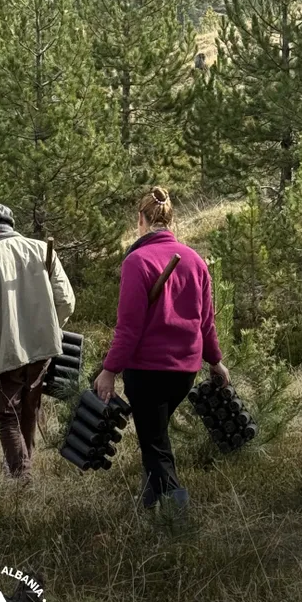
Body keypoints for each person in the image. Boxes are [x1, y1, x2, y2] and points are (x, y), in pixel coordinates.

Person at [93, 187, 229, 509]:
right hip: (185, 372)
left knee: (154, 446)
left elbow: (128, 329)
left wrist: (109, 371)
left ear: (140, 219)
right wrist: (215, 361)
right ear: (171, 219)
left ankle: (176, 522)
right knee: (156, 436)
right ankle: (149, 506)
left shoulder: (136, 262)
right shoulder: (196, 261)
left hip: (149, 371)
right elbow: (206, 322)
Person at [0, 203, 76, 481]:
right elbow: (66, 301)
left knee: (6, 415)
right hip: (41, 351)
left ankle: (21, 478)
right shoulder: (41, 250)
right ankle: (23, 467)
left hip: (4, 354)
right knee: (29, 408)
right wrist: (47, 330)